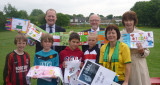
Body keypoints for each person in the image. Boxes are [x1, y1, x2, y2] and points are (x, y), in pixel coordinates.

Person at [120, 11, 151, 85]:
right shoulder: (119, 34)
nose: (128, 22)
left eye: (130, 20)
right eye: (126, 20)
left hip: (138, 64)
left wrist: (142, 51)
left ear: (134, 21)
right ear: (123, 22)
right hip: (123, 64)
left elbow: (147, 52)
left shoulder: (141, 33)